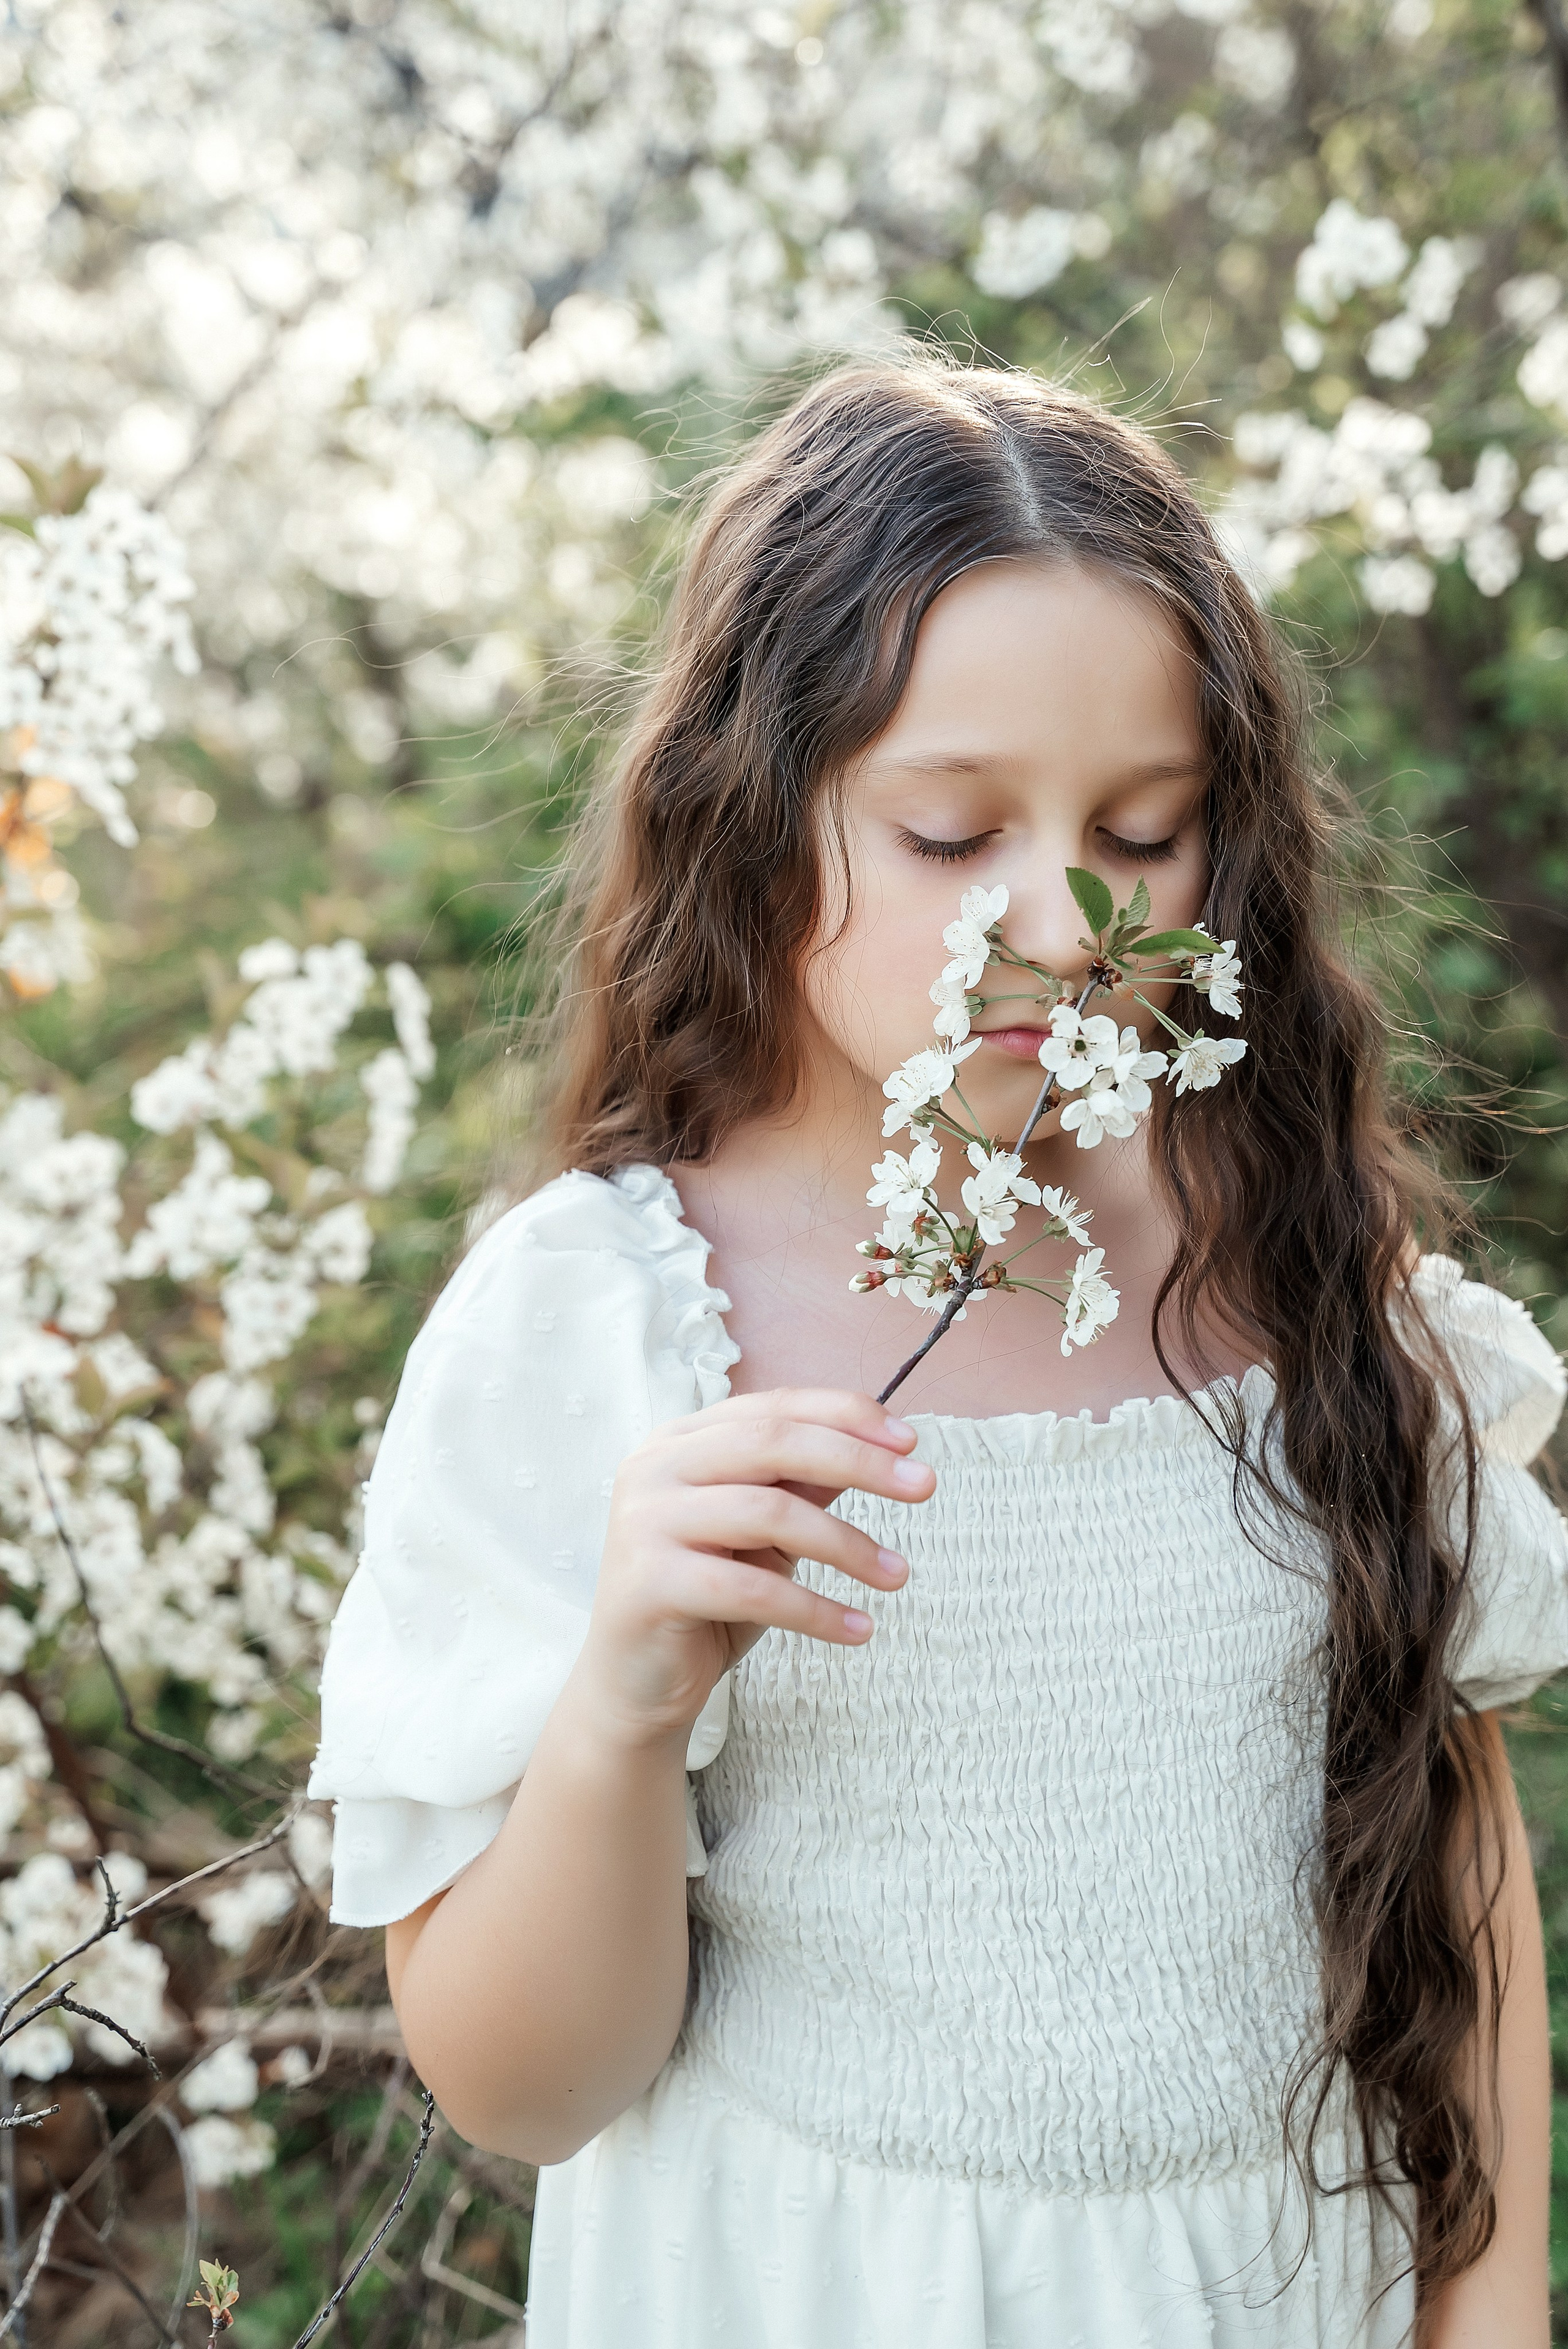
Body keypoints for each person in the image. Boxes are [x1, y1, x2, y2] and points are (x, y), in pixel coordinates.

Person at [308, 355, 1568, 2347]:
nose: (1058, 922)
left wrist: (1489, 2320)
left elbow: (1457, 1873)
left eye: (1142, 831)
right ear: (751, 817)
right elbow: (526, 2080)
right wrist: (627, 1700)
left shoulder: (1301, 1264)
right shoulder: (608, 1328)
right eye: (945, 830)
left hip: (1260, 2287)